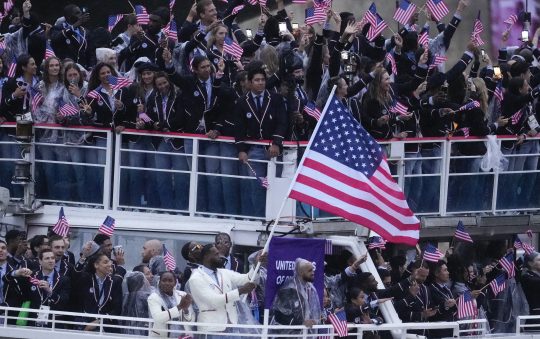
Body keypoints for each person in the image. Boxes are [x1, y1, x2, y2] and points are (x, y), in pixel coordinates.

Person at [235, 67, 287, 217]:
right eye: (257, 80)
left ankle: (274, 216)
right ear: (250, 83)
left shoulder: (275, 98)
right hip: (255, 149)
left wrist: (276, 143)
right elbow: (239, 128)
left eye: (263, 80)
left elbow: (282, 122)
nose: (261, 83)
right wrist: (242, 150)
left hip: (274, 149)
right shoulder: (242, 102)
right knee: (256, 186)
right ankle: (259, 218)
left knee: (275, 185)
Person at [186, 244, 261, 336]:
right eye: (216, 254)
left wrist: (256, 265)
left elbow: (247, 278)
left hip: (232, 327)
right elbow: (214, 301)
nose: (220, 257)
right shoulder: (196, 278)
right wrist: (240, 291)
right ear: (206, 256)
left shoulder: (223, 272)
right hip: (211, 329)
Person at [6, 249, 71, 326]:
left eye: (52, 258)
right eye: (47, 258)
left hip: (53, 323)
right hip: (32, 321)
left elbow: (64, 300)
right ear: (40, 261)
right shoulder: (31, 276)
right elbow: (7, 279)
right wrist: (17, 272)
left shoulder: (63, 279)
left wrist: (50, 292)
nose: (51, 261)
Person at [270, 258, 321, 335]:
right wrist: (302, 323)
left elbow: (312, 311)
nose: (313, 273)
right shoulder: (288, 289)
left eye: (313, 270)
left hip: (304, 334)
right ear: (300, 272)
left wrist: (315, 320)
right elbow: (279, 315)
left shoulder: (310, 287)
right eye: (309, 271)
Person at [78, 253, 123, 332]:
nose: (109, 264)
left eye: (109, 262)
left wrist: (99, 322)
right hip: (86, 325)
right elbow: (80, 303)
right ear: (96, 265)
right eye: (105, 262)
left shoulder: (115, 281)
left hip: (108, 326)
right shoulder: (86, 279)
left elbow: (117, 309)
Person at [148, 271, 193, 337]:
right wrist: (179, 307)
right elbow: (158, 318)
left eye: (170, 281)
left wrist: (186, 310)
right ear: (159, 282)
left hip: (182, 336)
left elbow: (189, 320)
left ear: (175, 283)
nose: (167, 283)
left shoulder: (182, 295)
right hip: (162, 336)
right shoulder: (153, 297)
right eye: (164, 280)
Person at [121, 271, 152, 336]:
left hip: (127, 329)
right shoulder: (144, 296)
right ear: (142, 283)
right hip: (141, 329)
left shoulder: (125, 296)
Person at [521, 252, 540, 331]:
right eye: (539, 260)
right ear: (530, 263)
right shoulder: (527, 277)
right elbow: (536, 282)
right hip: (533, 317)